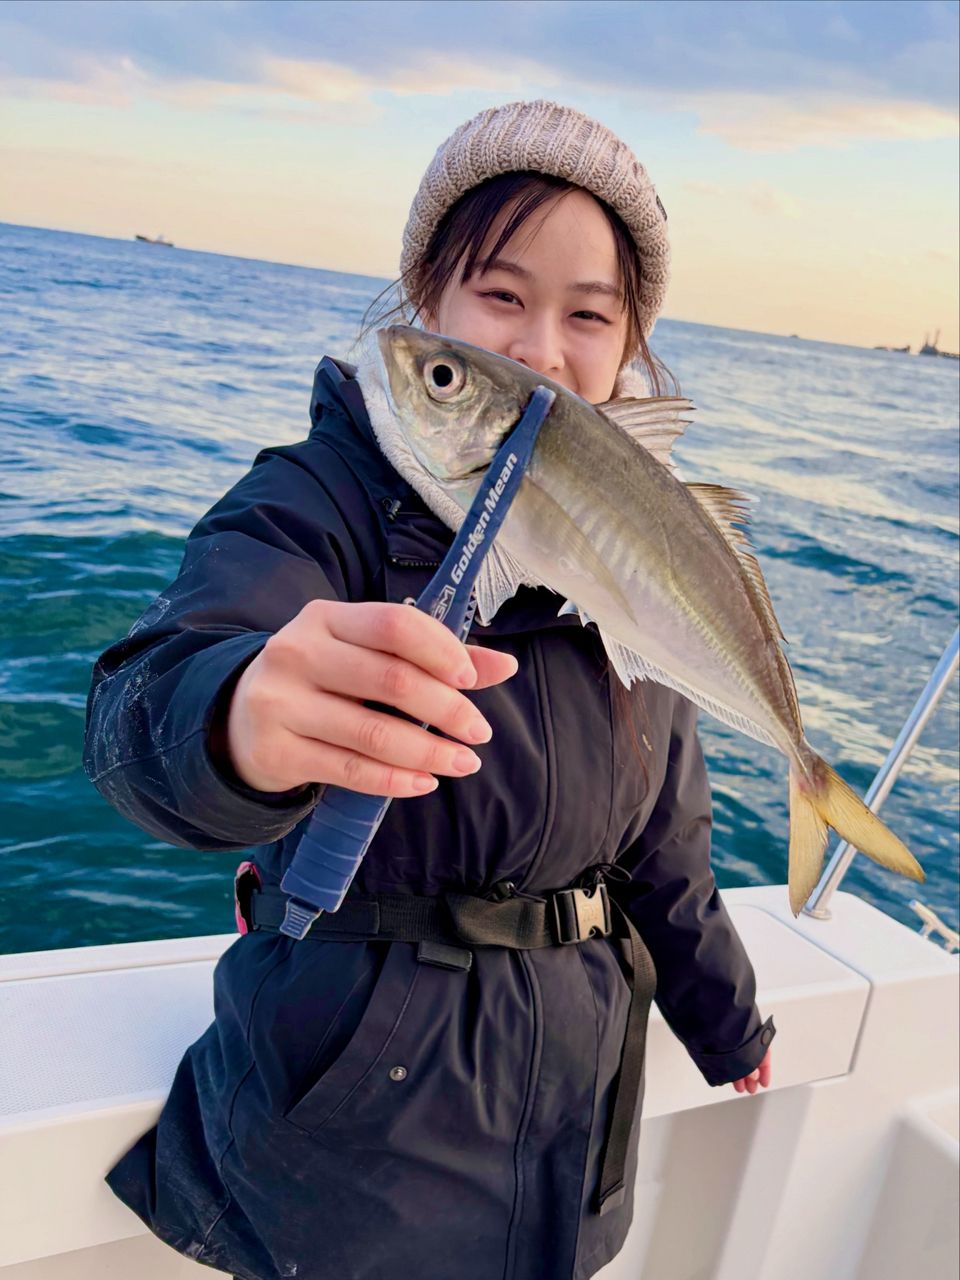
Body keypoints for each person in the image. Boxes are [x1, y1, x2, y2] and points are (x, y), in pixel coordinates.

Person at [84, 99, 775, 1280]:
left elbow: (665, 845)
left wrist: (725, 1016)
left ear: (629, 346)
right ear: (428, 302)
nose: (540, 352)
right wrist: (237, 714)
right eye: (500, 298)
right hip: (352, 1161)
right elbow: (147, 695)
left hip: (571, 1144)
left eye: (588, 315)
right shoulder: (323, 501)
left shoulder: (634, 566)